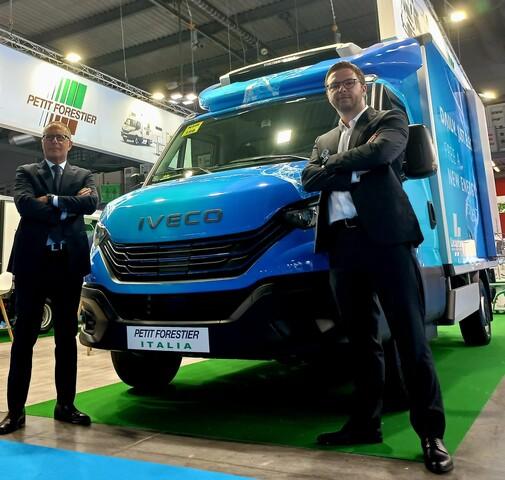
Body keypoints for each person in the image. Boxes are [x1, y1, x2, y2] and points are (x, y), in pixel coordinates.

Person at [301, 62, 453, 474]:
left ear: (362, 87)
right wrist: (353, 170)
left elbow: (382, 152)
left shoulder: (389, 120)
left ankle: (431, 434)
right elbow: (309, 179)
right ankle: (365, 424)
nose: (341, 90)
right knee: (360, 342)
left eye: (348, 83)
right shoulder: (322, 139)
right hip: (342, 247)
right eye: (333, 86)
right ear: (327, 94)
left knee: (410, 337)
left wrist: (333, 166)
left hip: (387, 241)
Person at [0, 121, 98, 434]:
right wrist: (69, 205)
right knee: (23, 340)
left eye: (60, 137)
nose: (55, 141)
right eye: (49, 137)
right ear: (42, 143)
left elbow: (91, 203)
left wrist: (51, 200)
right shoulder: (26, 172)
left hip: (68, 266)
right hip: (32, 265)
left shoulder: (84, 175)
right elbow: (25, 205)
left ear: (70, 143)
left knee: (66, 339)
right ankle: (15, 412)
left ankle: (65, 406)